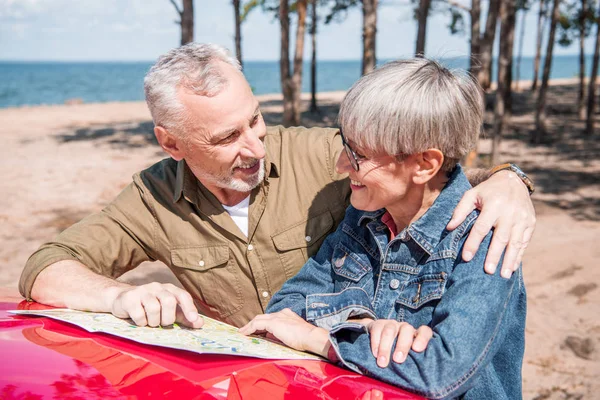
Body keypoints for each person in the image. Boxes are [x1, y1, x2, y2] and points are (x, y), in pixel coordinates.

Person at [19, 43, 535, 332]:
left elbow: (415, 162)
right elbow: (45, 266)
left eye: (255, 119)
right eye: (226, 137)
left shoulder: (318, 153)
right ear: (171, 143)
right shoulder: (150, 198)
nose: (255, 146)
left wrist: (513, 179)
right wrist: (116, 296)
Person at [239, 59, 527, 399]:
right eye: (346, 146)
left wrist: (321, 339)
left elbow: (442, 373)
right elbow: (285, 308)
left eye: (358, 155)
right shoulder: (364, 218)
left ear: (424, 164)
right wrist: (362, 324)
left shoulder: (483, 239)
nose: (341, 165)